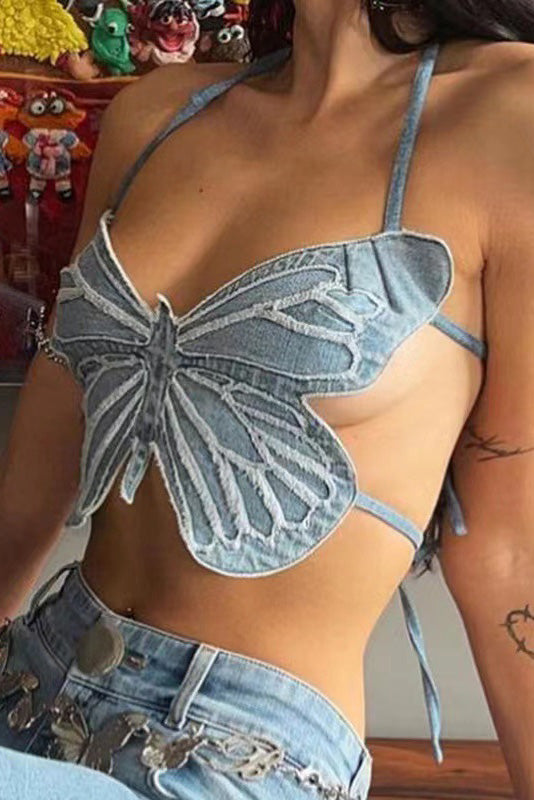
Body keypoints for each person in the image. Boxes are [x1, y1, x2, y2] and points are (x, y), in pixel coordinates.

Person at [1, 0, 534, 797]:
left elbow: (507, 551)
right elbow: (50, 431)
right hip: (30, 679)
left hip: (238, 750)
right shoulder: (158, 112)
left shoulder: (511, 115)